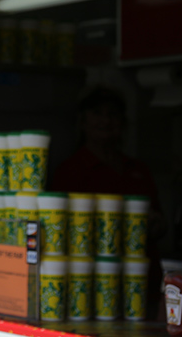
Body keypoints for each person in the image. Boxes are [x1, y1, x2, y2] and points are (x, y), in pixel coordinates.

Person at [48, 85, 164, 318]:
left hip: (141, 282)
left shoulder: (137, 169)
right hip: (90, 286)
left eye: (112, 114)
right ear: (83, 122)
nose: (105, 121)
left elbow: (161, 223)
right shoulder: (70, 171)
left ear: (123, 123)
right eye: (97, 113)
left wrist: (152, 222)